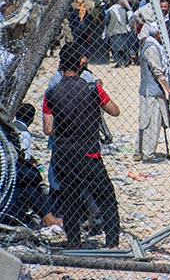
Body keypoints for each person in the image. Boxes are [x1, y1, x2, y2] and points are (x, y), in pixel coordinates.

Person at [43, 42, 121, 249]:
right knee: (106, 197)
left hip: (64, 154)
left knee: (70, 199)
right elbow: (115, 111)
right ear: (80, 64)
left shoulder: (51, 93)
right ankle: (112, 243)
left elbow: (48, 129)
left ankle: (74, 242)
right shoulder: (91, 88)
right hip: (89, 153)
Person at [137, 22, 170, 162]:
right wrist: (168, 88)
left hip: (150, 89)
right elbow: (157, 71)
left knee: (146, 121)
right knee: (152, 122)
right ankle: (148, 153)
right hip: (152, 91)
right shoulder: (152, 48)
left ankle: (140, 151)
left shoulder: (149, 44)